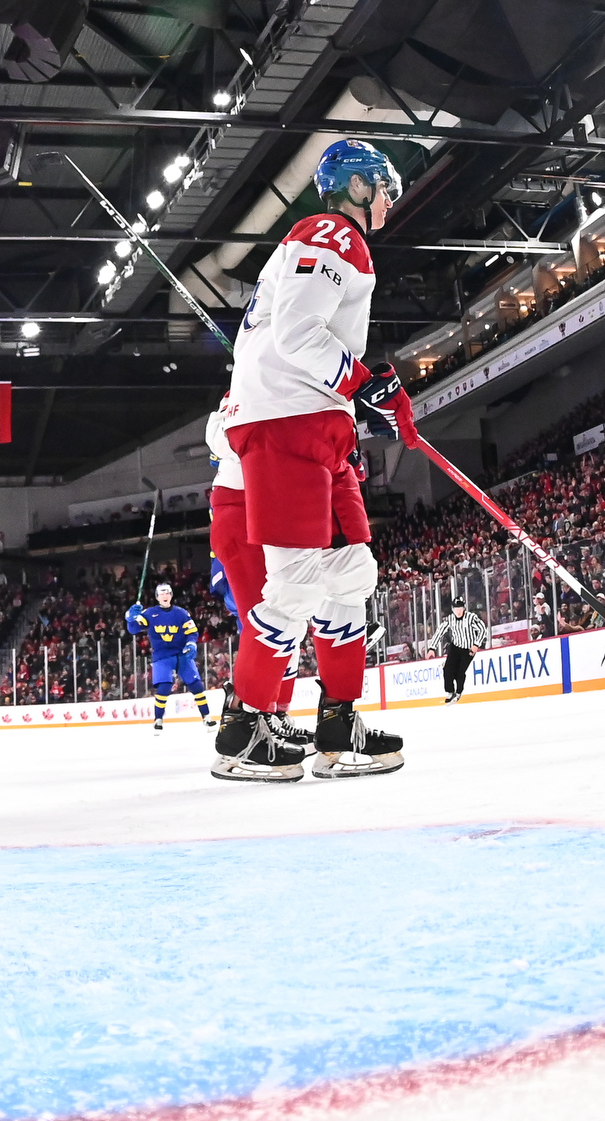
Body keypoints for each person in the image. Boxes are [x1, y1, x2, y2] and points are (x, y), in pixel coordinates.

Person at [213, 138, 407, 782]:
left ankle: (338, 722)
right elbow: (298, 335)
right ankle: (241, 732)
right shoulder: (329, 232)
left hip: (319, 425)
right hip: (288, 421)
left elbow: (300, 335)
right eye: (380, 185)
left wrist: (360, 391)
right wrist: (363, 382)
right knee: (294, 585)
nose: (386, 198)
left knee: (352, 572)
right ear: (354, 186)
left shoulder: (338, 242)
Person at [205, 398, 313, 749]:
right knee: (268, 627)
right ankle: (250, 720)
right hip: (242, 524)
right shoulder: (232, 408)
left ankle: (274, 715)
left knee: (289, 625)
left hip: (267, 520)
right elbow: (223, 440)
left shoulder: (273, 387)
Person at [125, 580, 217, 733]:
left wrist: (191, 644)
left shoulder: (181, 613)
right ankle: (158, 720)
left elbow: (191, 632)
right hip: (162, 656)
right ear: (157, 597)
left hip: (182, 654)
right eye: (162, 593)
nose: (165, 595)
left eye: (167, 592)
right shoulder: (149, 613)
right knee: (164, 687)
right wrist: (130, 616)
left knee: (196, 685)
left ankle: (207, 717)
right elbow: (133, 629)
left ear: (171, 595)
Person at [430, 596, 489, 704]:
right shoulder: (450, 619)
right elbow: (440, 632)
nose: (458, 611)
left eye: (460, 608)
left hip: (468, 649)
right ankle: (450, 691)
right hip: (456, 647)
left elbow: (482, 629)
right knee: (447, 669)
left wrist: (476, 644)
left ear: (464, 608)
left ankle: (458, 691)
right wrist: (432, 648)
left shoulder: (471, 618)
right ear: (453, 609)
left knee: (460, 672)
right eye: (456, 608)